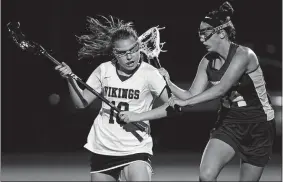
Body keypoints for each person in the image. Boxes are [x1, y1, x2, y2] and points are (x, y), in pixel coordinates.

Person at [156, 2, 276, 181]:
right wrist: (167, 82)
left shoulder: (244, 55)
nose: (201, 38)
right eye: (199, 34)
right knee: (206, 176)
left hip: (258, 125)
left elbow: (221, 89)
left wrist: (186, 103)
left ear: (221, 33)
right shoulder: (207, 61)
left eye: (205, 33)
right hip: (229, 122)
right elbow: (190, 95)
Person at [55, 15, 170, 181]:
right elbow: (81, 103)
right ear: (114, 53)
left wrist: (138, 116)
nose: (129, 57)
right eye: (122, 53)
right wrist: (70, 79)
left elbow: (173, 107)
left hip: (135, 148)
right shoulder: (104, 70)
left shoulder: (150, 73)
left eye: (132, 50)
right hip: (104, 147)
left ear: (139, 47)